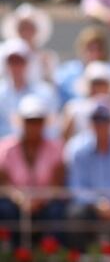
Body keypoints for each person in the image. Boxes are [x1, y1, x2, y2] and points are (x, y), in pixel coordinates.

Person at [0, 96, 65, 236]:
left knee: (56, 209)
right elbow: (4, 183)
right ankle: (9, 248)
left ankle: (51, 248)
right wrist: (19, 199)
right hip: (15, 204)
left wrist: (39, 201)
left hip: (46, 204)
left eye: (38, 121)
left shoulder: (55, 148)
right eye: (29, 121)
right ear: (21, 122)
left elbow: (57, 183)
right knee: (4, 208)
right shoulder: (5, 148)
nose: (34, 126)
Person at [64, 103, 110, 250]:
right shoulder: (79, 151)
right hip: (91, 207)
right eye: (97, 121)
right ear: (91, 124)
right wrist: (98, 203)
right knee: (75, 214)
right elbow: (76, 188)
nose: (100, 125)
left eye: (104, 120)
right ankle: (79, 255)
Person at [0, 39, 58, 137]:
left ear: (28, 63)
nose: (16, 66)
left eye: (19, 61)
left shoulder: (45, 92)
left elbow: (52, 128)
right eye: (11, 61)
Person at [1, 2, 58, 84]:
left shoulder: (46, 57)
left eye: (29, 28)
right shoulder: (4, 52)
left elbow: (51, 83)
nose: (26, 32)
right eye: (23, 28)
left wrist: (46, 67)